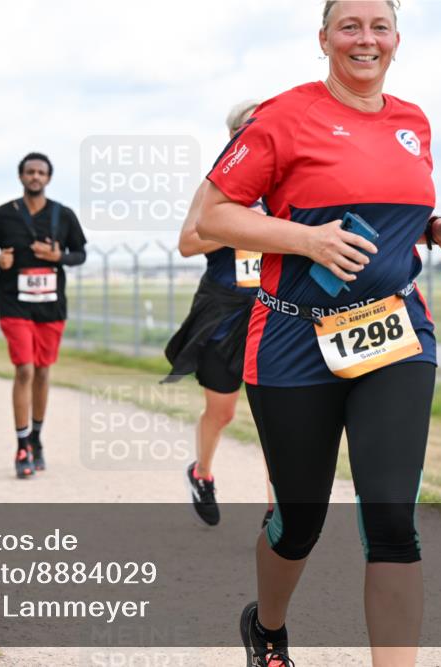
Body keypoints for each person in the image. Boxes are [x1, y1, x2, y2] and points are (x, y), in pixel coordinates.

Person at [196, 2, 441, 665]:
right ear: (324, 38)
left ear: (397, 40)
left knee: (391, 520)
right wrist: (306, 240)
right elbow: (212, 217)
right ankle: (266, 626)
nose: (365, 39)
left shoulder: (414, 122)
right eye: (350, 26)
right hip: (293, 340)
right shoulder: (282, 117)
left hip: (395, 333)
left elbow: (393, 202)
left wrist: (439, 228)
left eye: (379, 27)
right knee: (300, 522)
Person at [163, 100, 276, 527]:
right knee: (223, 412)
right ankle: (202, 473)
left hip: (272, 311)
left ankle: (274, 510)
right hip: (224, 313)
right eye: (250, 127)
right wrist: (236, 223)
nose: (259, 132)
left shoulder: (283, 185)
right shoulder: (217, 188)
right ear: (234, 137)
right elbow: (188, 244)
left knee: (277, 416)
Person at [0, 152, 87, 479]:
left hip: (50, 305)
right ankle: (21, 445)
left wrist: (58, 256)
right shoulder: (2, 215)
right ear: (21, 176)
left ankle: (37, 437)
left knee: (43, 370)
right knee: (24, 368)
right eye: (30, 172)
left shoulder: (63, 215)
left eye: (41, 172)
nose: (35, 177)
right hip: (13, 302)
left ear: (48, 178)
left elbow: (80, 253)